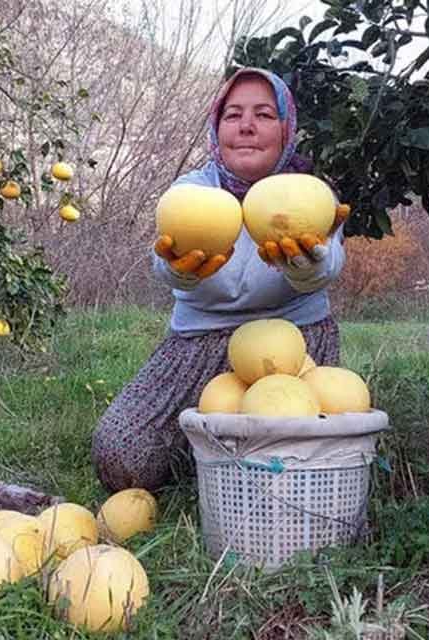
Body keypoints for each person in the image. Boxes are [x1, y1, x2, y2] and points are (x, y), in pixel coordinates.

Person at [90, 67, 350, 492]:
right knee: (121, 457)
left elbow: (330, 265)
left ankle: (229, 469)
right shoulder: (191, 193)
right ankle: (204, 462)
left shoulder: (312, 195)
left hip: (295, 344)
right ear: (216, 127)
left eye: (264, 115)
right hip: (198, 345)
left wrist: (308, 268)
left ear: (287, 129)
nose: (247, 126)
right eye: (233, 115)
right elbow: (164, 258)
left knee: (297, 465)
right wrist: (179, 272)